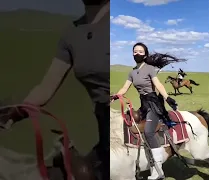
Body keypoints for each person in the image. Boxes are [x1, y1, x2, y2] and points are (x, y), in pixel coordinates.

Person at [0, 0, 110, 179]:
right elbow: (45, 87)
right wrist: (12, 112)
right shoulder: (72, 34)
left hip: (122, 117)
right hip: (104, 130)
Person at [111, 42, 185, 180]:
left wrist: (167, 97)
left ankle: (158, 170)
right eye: (135, 51)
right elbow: (124, 88)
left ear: (145, 54)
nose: (137, 53)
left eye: (140, 51)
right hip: (143, 105)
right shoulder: (132, 72)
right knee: (128, 121)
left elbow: (158, 84)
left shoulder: (150, 69)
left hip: (154, 104)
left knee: (149, 131)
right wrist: (114, 96)